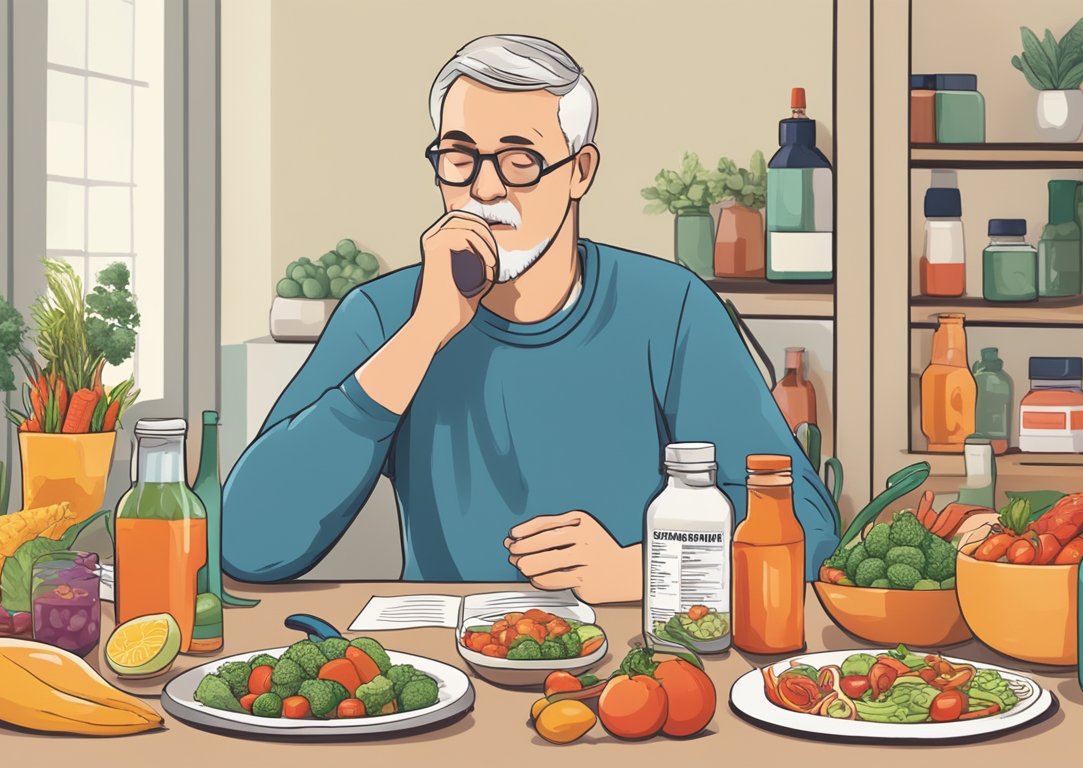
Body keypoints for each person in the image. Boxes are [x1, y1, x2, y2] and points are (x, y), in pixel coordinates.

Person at [222, 35, 838, 603]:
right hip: (447, 667)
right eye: (460, 157)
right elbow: (248, 545)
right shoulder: (383, 317)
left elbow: (808, 529)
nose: (484, 189)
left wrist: (640, 571)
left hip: (637, 663)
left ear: (580, 172)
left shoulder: (669, 306)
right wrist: (422, 335)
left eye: (518, 160)